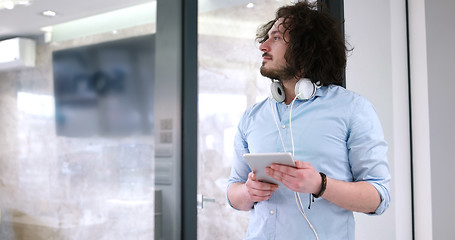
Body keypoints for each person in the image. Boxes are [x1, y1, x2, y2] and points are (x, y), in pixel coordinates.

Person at [226, 1, 391, 240]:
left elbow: (378, 196)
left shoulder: (353, 109)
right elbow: (234, 192)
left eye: (276, 38)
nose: (263, 46)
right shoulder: (252, 117)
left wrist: (320, 185)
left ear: (308, 47)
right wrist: (248, 192)